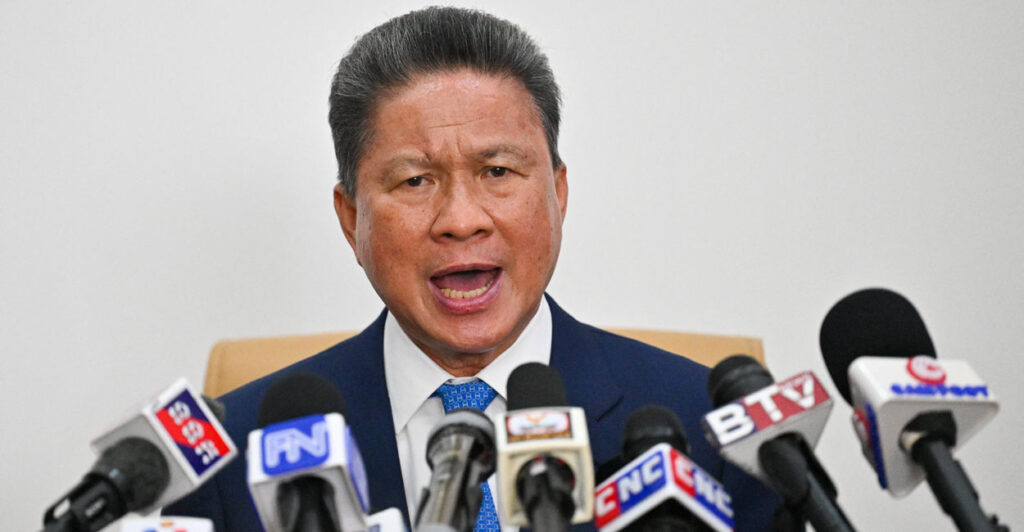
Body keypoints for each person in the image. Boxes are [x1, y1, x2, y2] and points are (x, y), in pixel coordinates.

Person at [166, 6, 781, 531]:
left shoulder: (712, 435)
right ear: (350, 216)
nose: (462, 220)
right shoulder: (234, 460)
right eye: (415, 180)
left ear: (557, 195)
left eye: (497, 172)